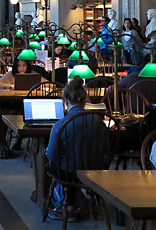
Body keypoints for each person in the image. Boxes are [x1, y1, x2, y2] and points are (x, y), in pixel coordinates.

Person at [45, 76, 109, 221]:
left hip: (70, 173)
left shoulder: (60, 124)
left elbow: (51, 156)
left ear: (65, 102)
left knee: (54, 166)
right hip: (95, 170)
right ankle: (78, 202)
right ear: (85, 101)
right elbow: (106, 149)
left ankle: (63, 205)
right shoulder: (98, 121)